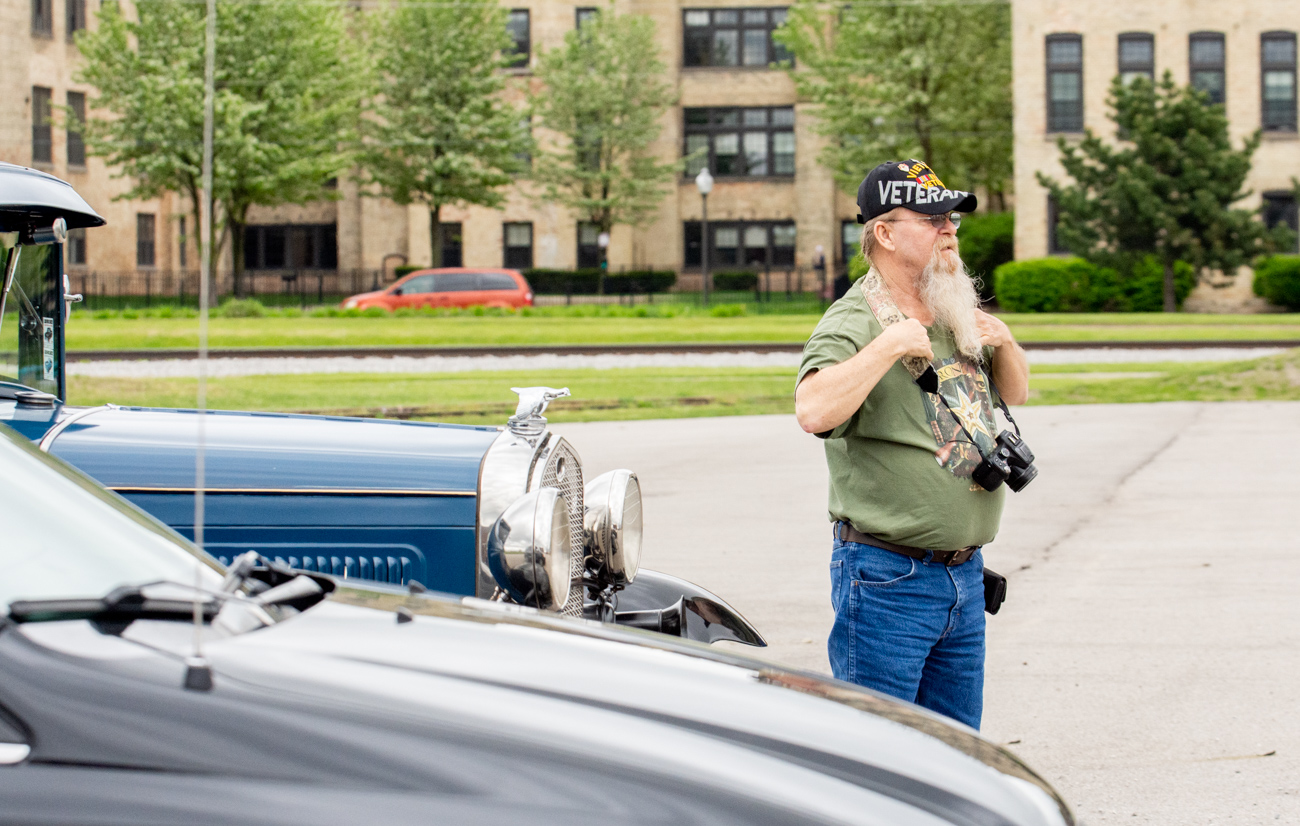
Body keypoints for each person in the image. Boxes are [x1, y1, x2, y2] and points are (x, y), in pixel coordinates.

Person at [794, 159, 1029, 730]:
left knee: (955, 753)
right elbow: (813, 409)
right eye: (932, 219)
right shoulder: (855, 319)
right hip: (887, 580)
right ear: (885, 232)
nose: (949, 229)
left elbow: (1015, 396)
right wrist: (887, 348)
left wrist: (1005, 342)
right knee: (877, 754)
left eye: (951, 218)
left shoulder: (951, 308)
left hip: (964, 578)